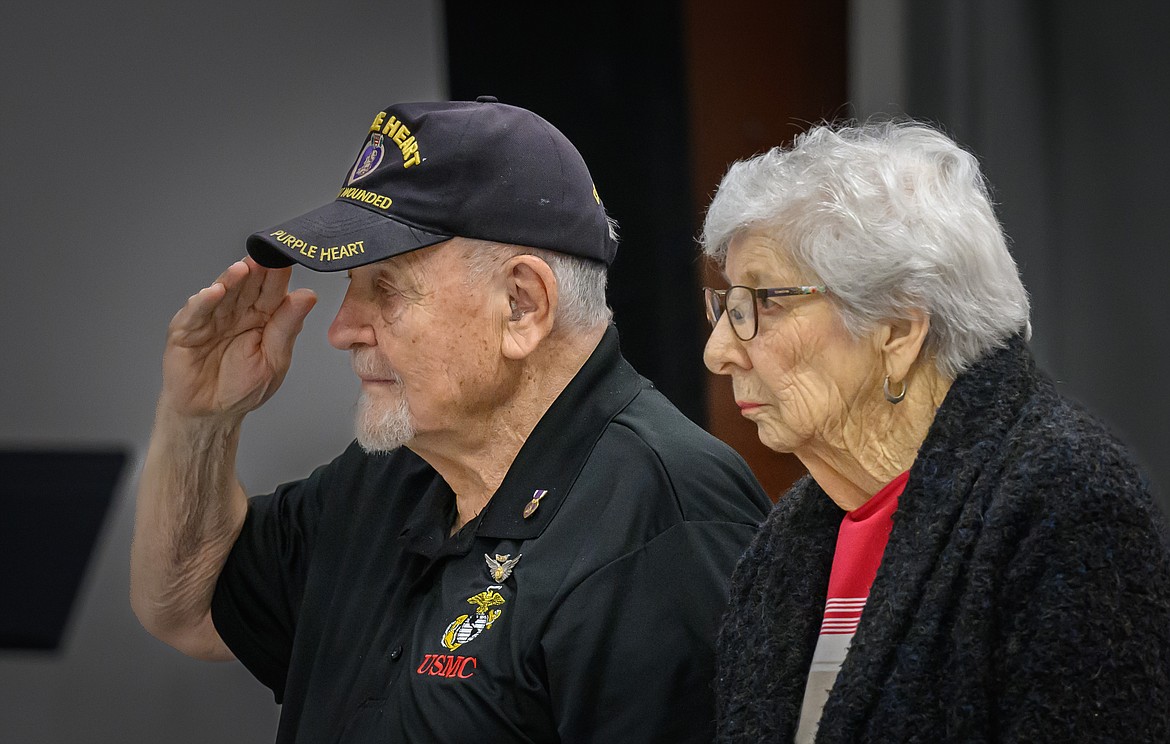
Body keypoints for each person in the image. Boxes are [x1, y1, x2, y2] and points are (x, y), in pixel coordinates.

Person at [130, 97, 771, 743]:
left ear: (522, 305)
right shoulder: (389, 477)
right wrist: (202, 420)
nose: (342, 329)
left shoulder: (666, 519)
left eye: (385, 287)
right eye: (350, 286)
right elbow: (187, 610)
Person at [700, 120, 1170, 742]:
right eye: (726, 305)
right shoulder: (783, 547)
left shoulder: (1068, 503)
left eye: (762, 304)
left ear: (897, 329)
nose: (719, 351)